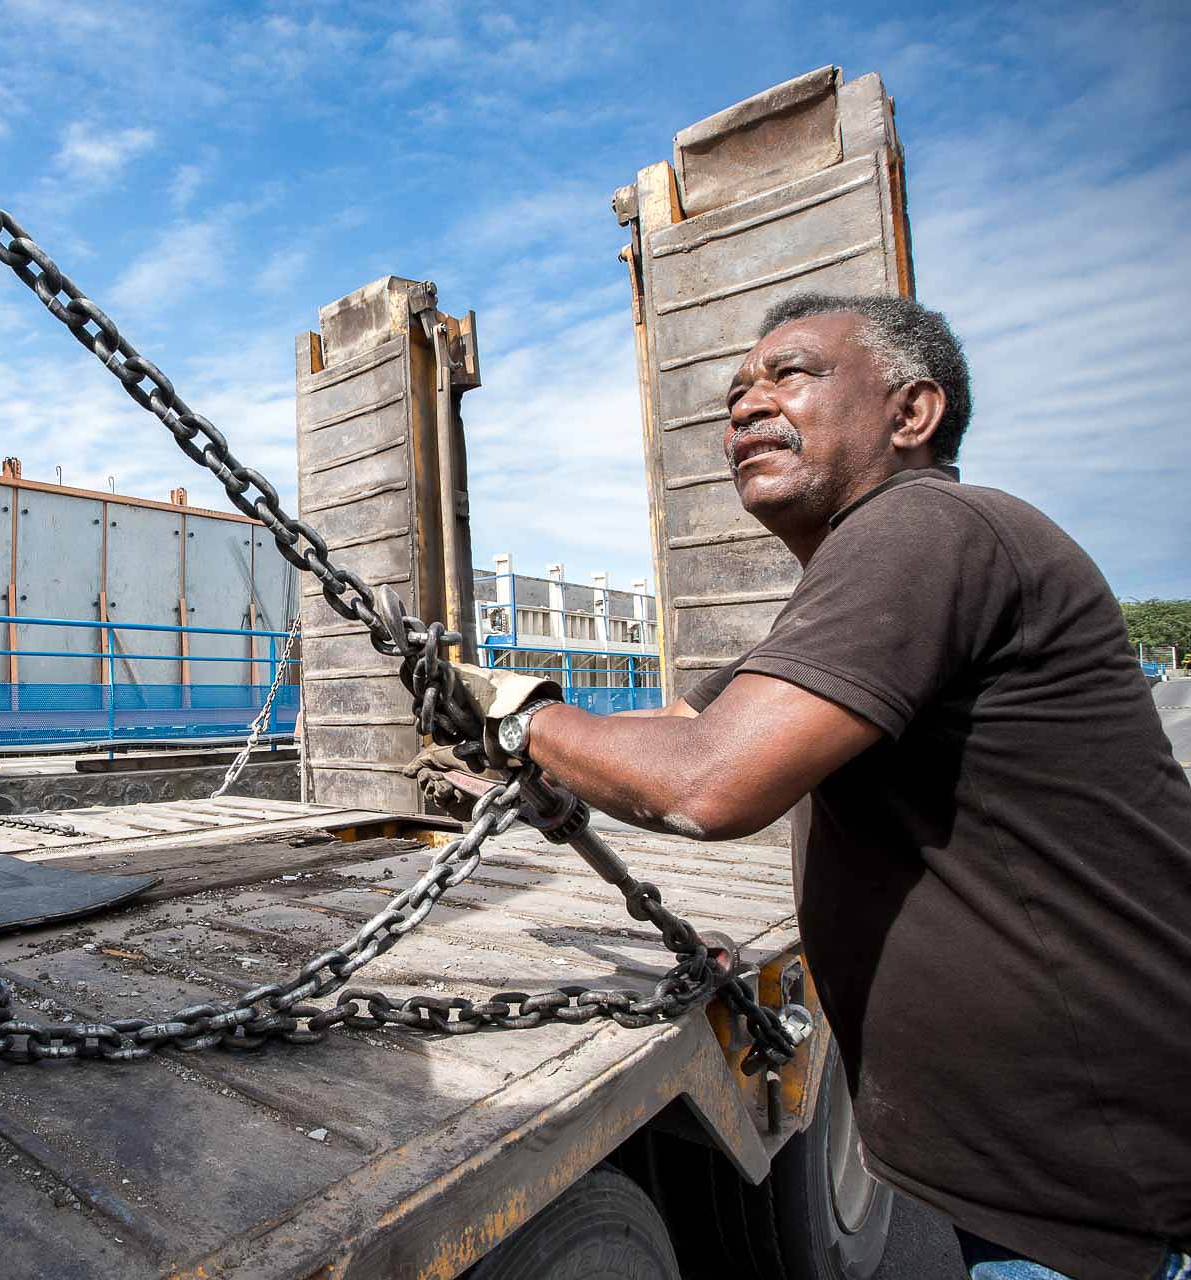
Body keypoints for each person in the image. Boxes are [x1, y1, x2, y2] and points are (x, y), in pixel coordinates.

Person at [450, 294, 1191, 1280]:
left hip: (1090, 1191)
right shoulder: (871, 573)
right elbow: (684, 727)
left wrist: (520, 718)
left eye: (788, 373)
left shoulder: (927, 527)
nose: (746, 404)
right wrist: (522, 746)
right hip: (1040, 1171)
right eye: (734, 392)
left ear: (911, 412)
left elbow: (710, 779)